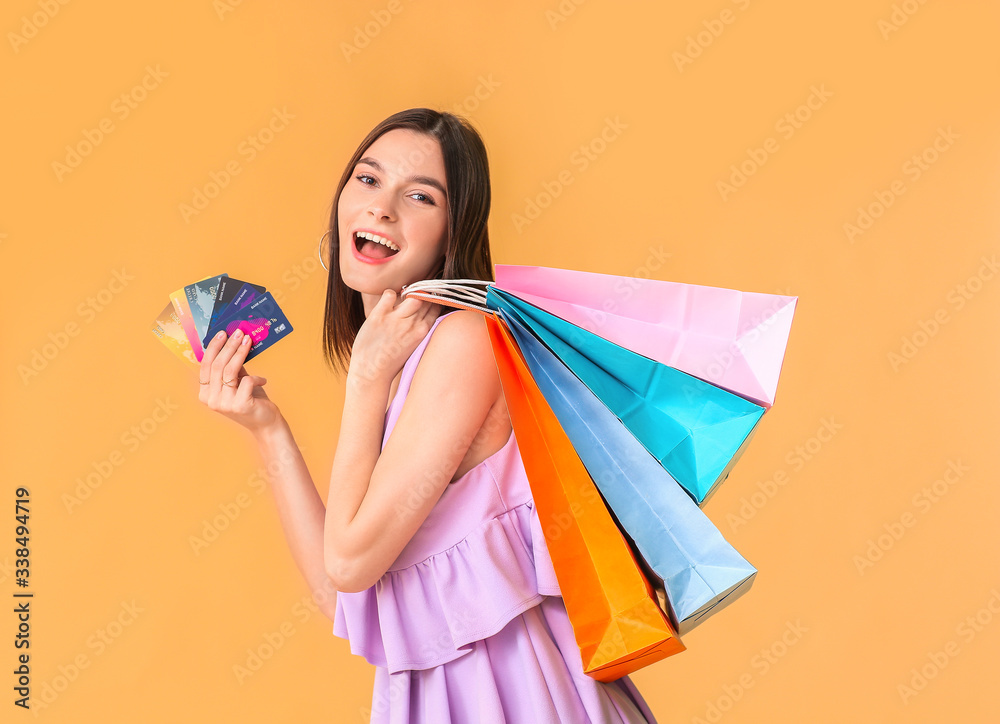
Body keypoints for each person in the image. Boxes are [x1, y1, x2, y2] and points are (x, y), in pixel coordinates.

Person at [197, 108, 658, 723]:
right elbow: (343, 591)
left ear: (452, 234)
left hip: (519, 697)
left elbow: (350, 561)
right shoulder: (403, 366)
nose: (381, 208)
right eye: (367, 180)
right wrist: (267, 427)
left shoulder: (464, 340)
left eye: (419, 196)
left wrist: (365, 377)